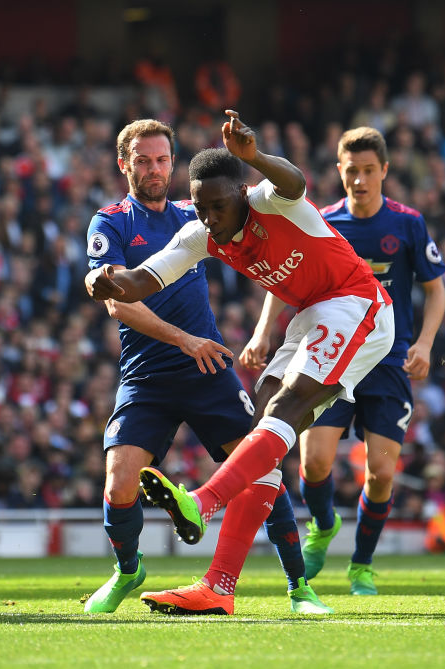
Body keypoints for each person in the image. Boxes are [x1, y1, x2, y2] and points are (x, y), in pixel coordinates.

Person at [85, 110, 394, 615]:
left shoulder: (269, 199)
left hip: (358, 303)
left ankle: (203, 503)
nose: (210, 218)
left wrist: (256, 156)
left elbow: (294, 182)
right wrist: (106, 283)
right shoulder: (199, 234)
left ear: (241, 194)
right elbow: (141, 280)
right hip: (309, 315)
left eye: (219, 206)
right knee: (261, 436)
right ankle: (220, 586)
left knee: (286, 408)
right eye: (201, 209)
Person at [241, 126, 445, 594]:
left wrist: (425, 344)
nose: (360, 180)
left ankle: (361, 565)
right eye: (352, 170)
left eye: (369, 171)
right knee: (314, 462)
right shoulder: (323, 220)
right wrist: (262, 331)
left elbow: (435, 291)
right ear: (339, 170)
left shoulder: (407, 223)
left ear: (384, 171)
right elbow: (285, 277)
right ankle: (323, 523)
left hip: (388, 359)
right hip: (333, 353)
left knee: (382, 472)